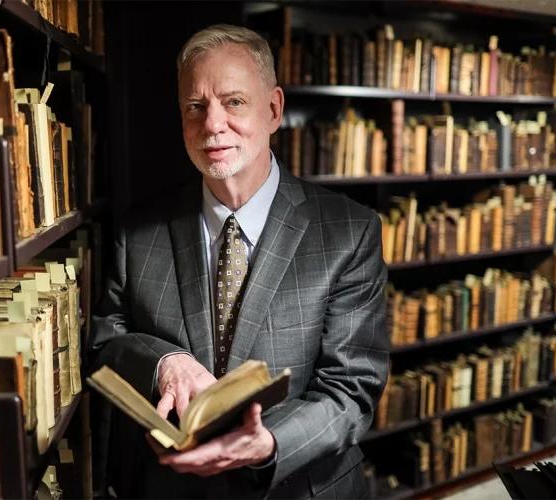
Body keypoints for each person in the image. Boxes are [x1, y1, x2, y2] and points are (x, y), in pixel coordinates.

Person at [90, 23, 389, 499]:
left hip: (299, 488)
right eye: (195, 107)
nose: (212, 124)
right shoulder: (139, 231)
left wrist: (268, 442)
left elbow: (351, 391)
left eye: (233, 102)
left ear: (273, 109)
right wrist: (165, 361)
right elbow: (106, 340)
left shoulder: (349, 232)